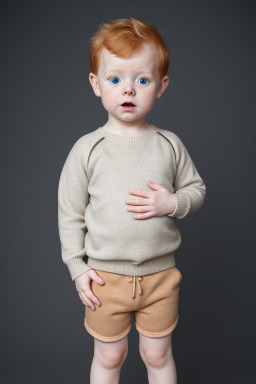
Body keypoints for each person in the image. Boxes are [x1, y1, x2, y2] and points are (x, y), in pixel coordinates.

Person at [58, 17, 206, 384]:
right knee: (110, 356)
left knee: (157, 353)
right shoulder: (87, 149)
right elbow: (70, 213)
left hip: (160, 277)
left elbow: (196, 190)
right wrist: (77, 266)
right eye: (115, 79)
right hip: (105, 279)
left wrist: (171, 203)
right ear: (96, 84)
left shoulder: (169, 144)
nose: (128, 90)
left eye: (142, 80)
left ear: (161, 86)